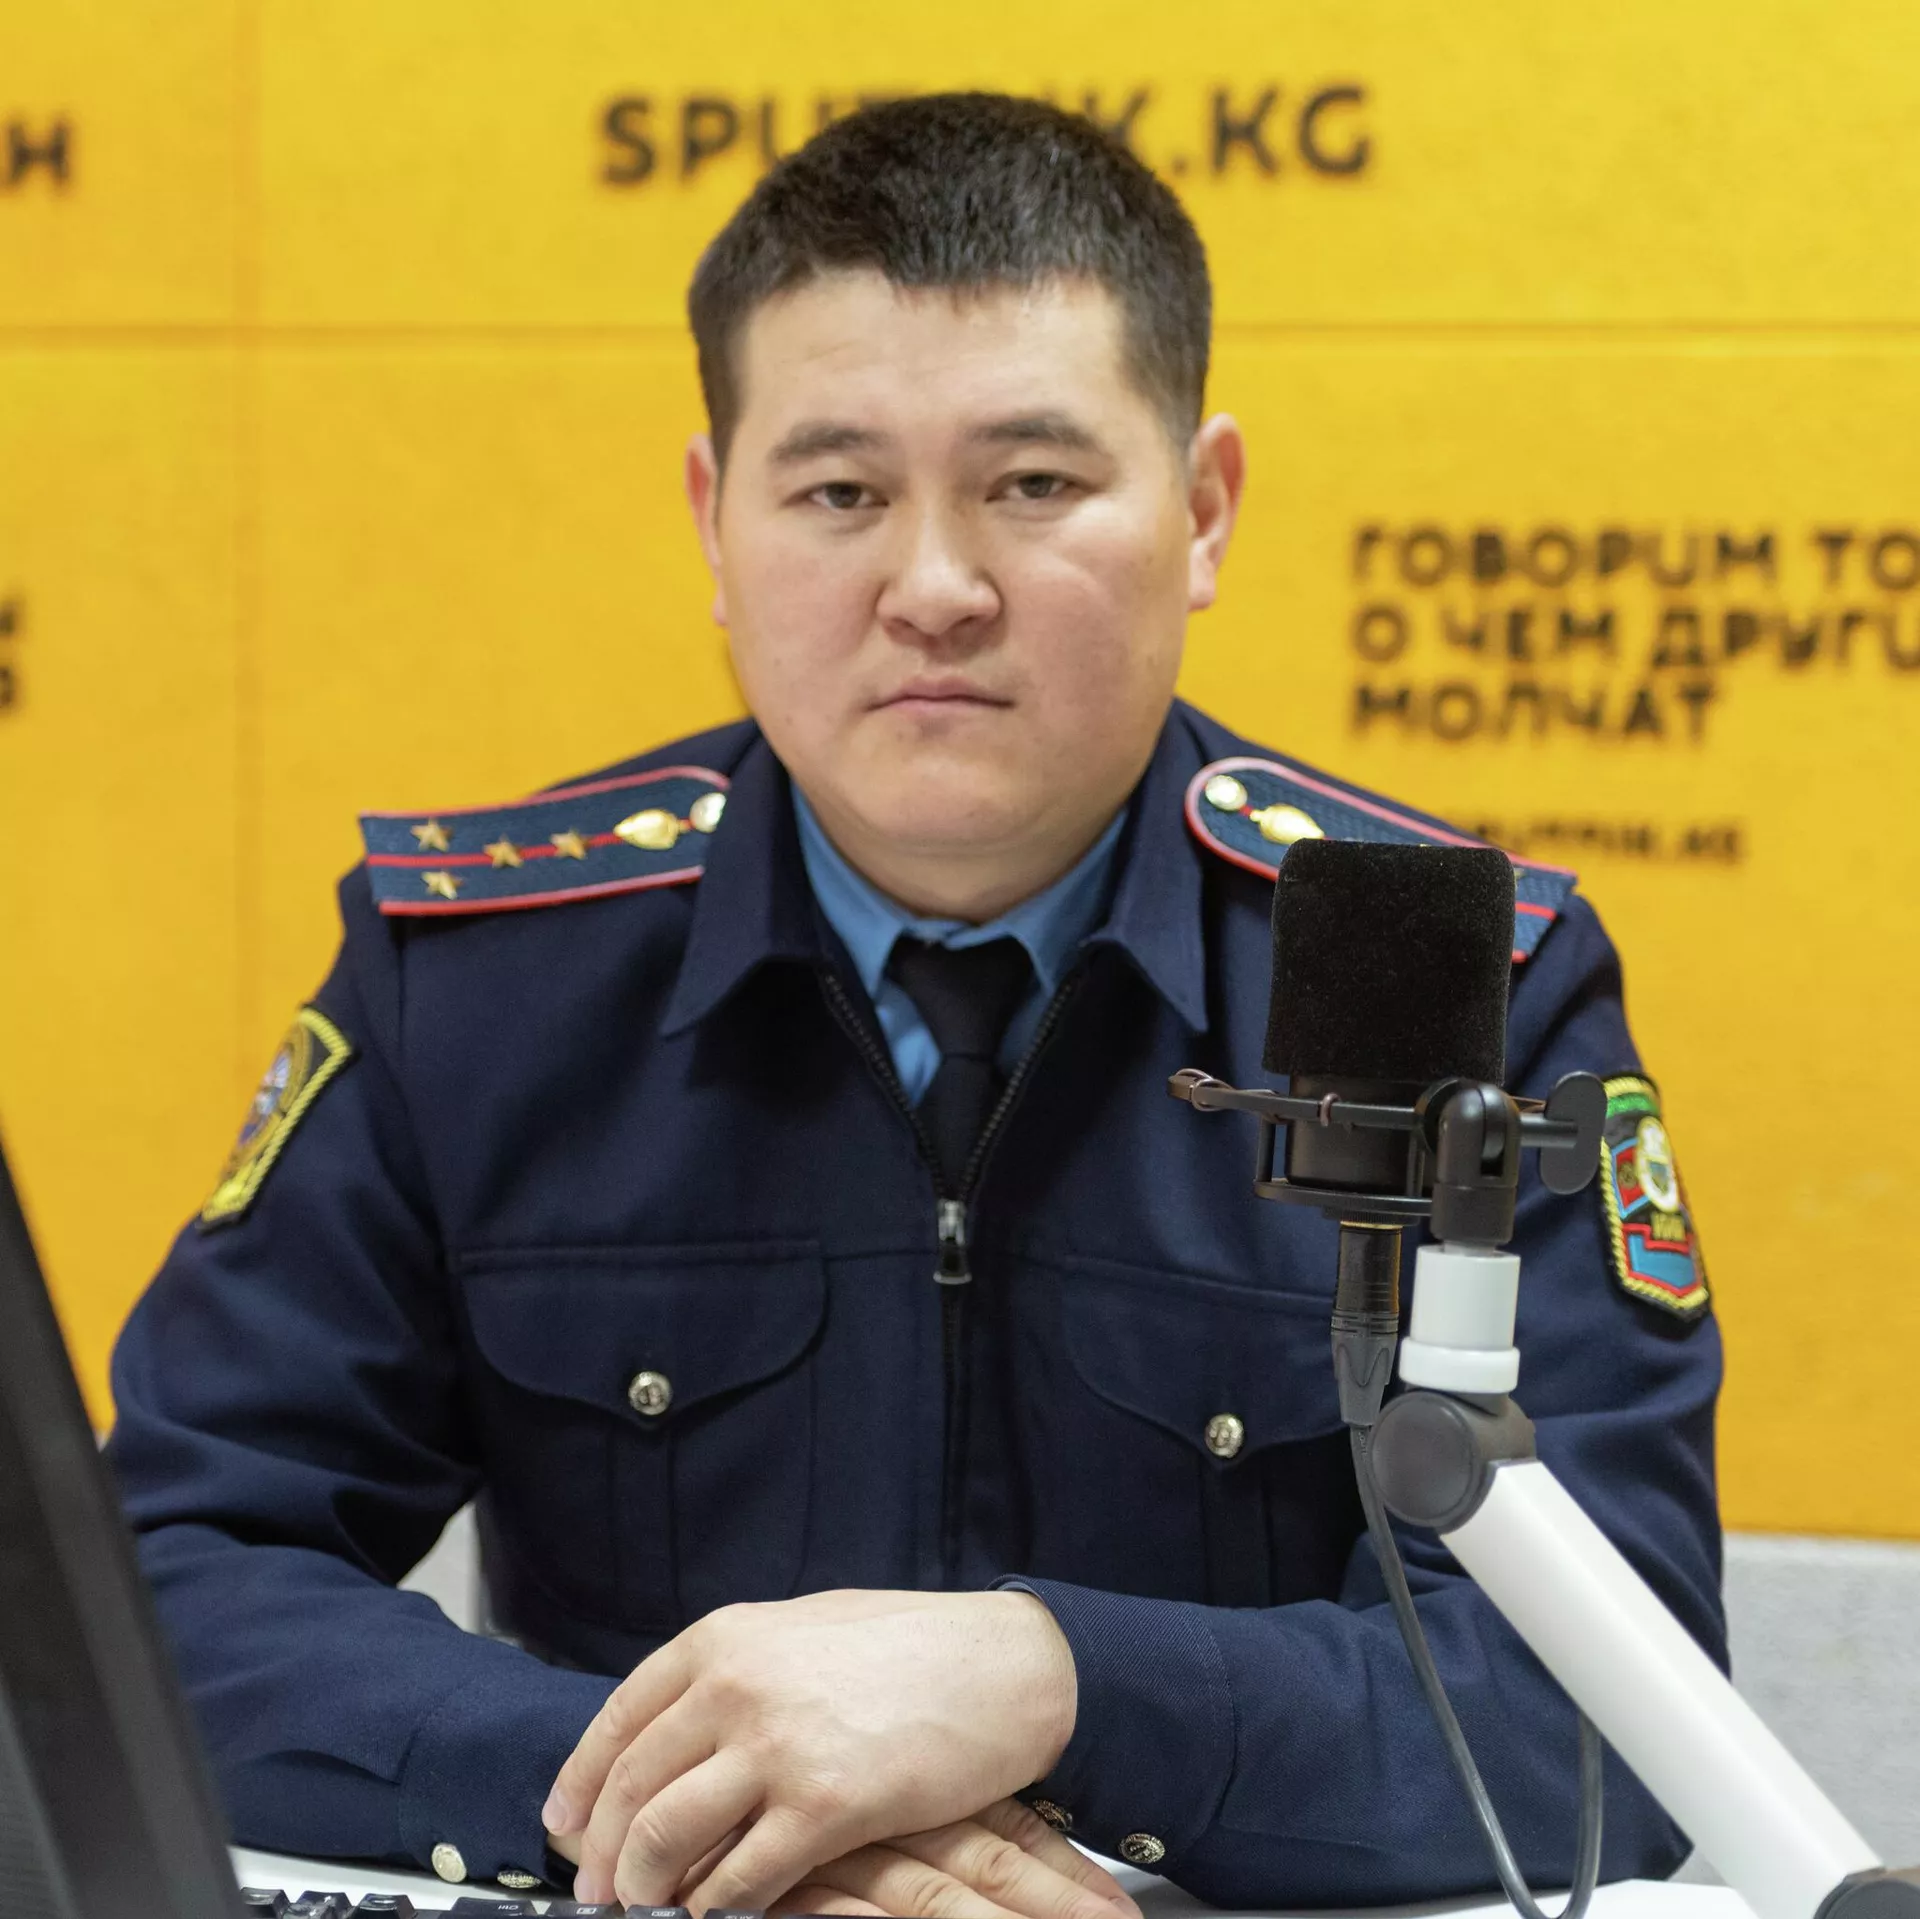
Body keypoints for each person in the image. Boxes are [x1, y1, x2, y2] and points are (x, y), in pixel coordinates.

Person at [105, 92, 1723, 1916]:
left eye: (1033, 485)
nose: (936, 589)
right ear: (716, 521)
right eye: (840, 493)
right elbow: (167, 1575)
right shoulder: (483, 981)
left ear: (1202, 511)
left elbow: (1612, 1715)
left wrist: (1057, 1683)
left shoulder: (1451, 988)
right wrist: (701, 1804)